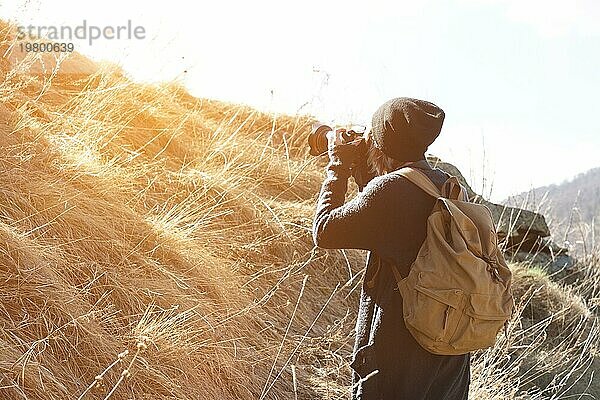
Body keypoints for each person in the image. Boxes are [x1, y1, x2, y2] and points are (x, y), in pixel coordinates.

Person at [312, 97, 470, 399]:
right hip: (449, 352)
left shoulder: (389, 192)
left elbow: (324, 231)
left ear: (383, 141)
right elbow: (393, 223)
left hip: (399, 355)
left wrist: (338, 164)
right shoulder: (448, 186)